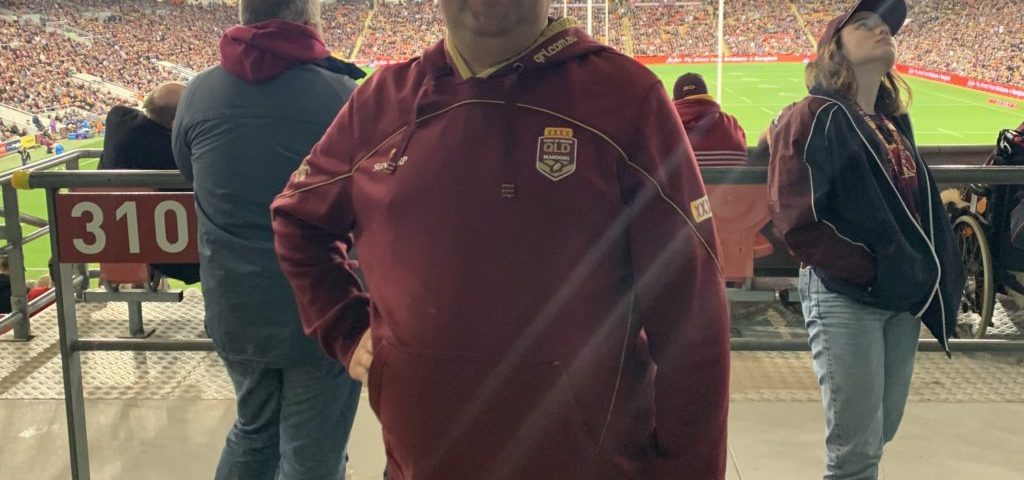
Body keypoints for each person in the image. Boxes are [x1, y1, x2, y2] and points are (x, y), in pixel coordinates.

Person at [271, 1, 731, 479]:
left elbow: (692, 314)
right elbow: (298, 221)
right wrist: (346, 329)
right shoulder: (379, 103)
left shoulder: (626, 98)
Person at [768, 1, 965, 479]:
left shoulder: (892, 123)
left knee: (880, 432)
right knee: (855, 452)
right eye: (864, 25)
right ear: (833, 50)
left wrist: (913, 274)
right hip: (847, 294)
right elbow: (798, 220)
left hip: (899, 296)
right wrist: (875, 270)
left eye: (886, 27)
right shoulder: (814, 115)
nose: (881, 31)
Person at [172, 0, 365, 478]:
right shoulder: (344, 95)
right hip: (323, 305)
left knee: (253, 432)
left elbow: (188, 169)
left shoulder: (199, 91)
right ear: (309, 22)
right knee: (312, 454)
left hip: (234, 305)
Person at [99, 82, 200, 285]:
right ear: (175, 122)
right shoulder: (174, 155)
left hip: (116, 240)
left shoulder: (118, 118)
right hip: (173, 256)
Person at [672, 72, 748, 166]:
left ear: (674, 101)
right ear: (707, 97)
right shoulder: (733, 125)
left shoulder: (665, 127)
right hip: (731, 175)